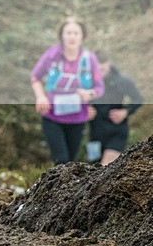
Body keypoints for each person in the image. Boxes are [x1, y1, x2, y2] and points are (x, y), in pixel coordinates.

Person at [30, 17, 104, 164]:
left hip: (78, 118)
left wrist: (88, 93)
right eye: (68, 33)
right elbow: (35, 77)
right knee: (61, 160)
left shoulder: (90, 59)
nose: (72, 37)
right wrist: (40, 97)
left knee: (71, 163)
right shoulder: (52, 55)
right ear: (62, 35)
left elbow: (99, 88)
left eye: (76, 33)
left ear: (82, 36)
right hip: (52, 116)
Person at [86, 50, 143, 165]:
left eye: (103, 68)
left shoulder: (122, 81)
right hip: (95, 135)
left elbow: (138, 99)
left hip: (116, 132)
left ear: (109, 63)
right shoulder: (86, 82)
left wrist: (125, 112)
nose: (100, 71)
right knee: (94, 172)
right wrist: (84, 111)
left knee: (105, 168)